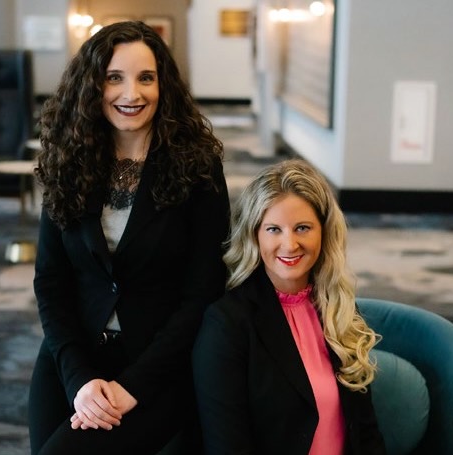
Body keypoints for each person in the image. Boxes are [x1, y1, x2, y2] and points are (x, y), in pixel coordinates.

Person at [28, 21, 230, 455]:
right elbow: (50, 280)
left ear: (165, 86)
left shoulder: (197, 167)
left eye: (146, 78)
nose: (131, 94)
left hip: (158, 364)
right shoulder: (68, 158)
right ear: (92, 85)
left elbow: (204, 293)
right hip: (74, 354)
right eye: (114, 78)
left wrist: (132, 386)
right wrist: (79, 379)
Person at [192, 159, 386, 455]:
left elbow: (366, 434)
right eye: (273, 229)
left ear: (323, 231)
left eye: (303, 228)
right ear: (254, 234)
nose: (289, 244)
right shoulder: (227, 324)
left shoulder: (339, 308)